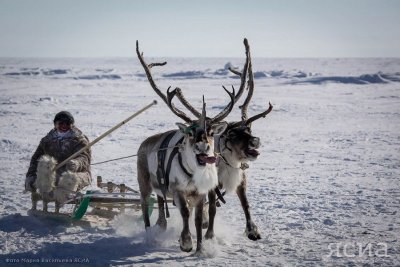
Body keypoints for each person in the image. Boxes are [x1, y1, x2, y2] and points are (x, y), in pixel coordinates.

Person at [25, 111, 91, 193]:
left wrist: (76, 163)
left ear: (72, 124)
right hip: (54, 175)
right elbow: (36, 159)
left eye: (67, 123)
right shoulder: (47, 141)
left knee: (69, 180)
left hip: (78, 173)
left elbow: (84, 158)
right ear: (55, 124)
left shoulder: (79, 140)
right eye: (61, 123)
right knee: (40, 181)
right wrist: (31, 176)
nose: (64, 126)